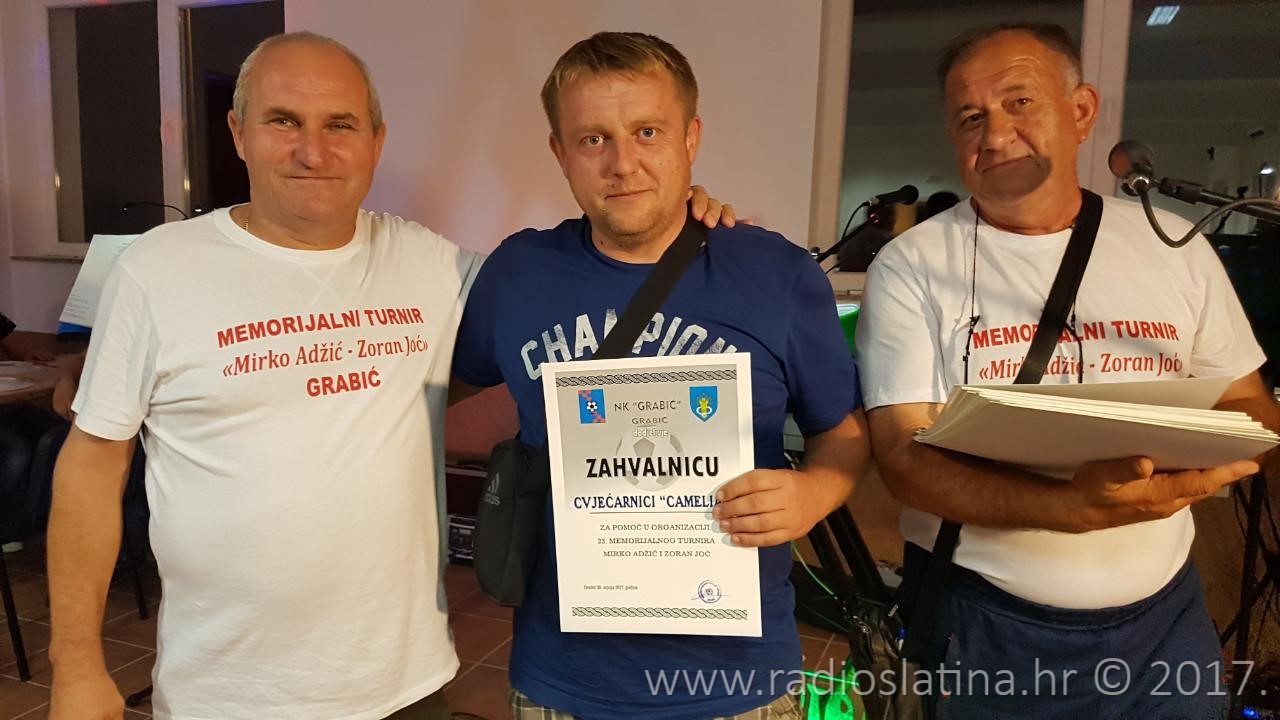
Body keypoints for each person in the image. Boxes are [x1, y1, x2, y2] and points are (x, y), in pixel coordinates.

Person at [45, 31, 732, 720]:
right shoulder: (158, 271)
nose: (313, 151)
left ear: (376, 140)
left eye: (340, 125)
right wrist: (75, 665)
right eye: (284, 121)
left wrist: (670, 213)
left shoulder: (431, 265)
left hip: (406, 685)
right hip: (228, 694)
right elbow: (91, 467)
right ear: (238, 134)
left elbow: (584, 274)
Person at [856, 22, 1280, 718]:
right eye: (970, 118)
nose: (996, 135)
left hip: (1164, 623)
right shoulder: (912, 265)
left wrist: (1210, 457)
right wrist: (1073, 508)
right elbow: (903, 459)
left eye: (1019, 102)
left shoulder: (1173, 245)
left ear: (1081, 112)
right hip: (991, 627)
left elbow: (1249, 403)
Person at [451, 32, 870, 719]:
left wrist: (815, 492)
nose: (623, 164)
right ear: (560, 152)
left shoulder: (775, 273)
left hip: (739, 686)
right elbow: (434, 390)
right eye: (593, 139)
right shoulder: (517, 274)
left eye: (648, 131)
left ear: (690, 138)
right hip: (561, 680)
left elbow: (844, 431)